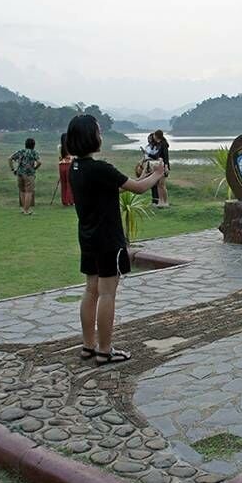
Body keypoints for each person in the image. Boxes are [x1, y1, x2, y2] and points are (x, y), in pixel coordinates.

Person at [66, 114, 165, 365]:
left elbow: (123, 186)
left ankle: (89, 346)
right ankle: (105, 350)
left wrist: (144, 175)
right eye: (99, 131)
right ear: (91, 137)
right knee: (107, 293)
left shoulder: (75, 169)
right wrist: (158, 173)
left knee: (90, 291)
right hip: (108, 239)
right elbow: (140, 189)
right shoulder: (101, 168)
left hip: (88, 238)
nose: (101, 135)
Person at [9, 137, 42, 215]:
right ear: (33, 145)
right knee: (29, 192)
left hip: (20, 173)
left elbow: (10, 158)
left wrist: (13, 169)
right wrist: (35, 168)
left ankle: (23, 208)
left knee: (22, 191)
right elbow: (39, 162)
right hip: (29, 174)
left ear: (25, 144)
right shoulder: (34, 152)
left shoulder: (21, 151)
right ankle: (26, 210)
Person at [58, 133, 74, 206]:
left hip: (61, 165)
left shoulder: (60, 147)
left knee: (63, 183)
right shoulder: (71, 146)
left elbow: (60, 157)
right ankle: (70, 200)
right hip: (69, 165)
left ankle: (64, 201)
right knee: (69, 184)